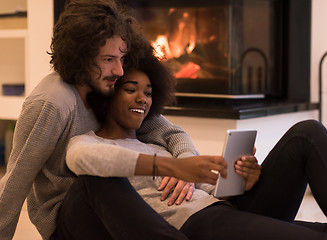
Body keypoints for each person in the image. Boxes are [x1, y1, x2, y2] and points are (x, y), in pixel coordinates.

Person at [64, 54, 327, 239]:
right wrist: (175, 166)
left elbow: (208, 191)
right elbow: (82, 160)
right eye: (131, 90)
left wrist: (244, 182)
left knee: (308, 133)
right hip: (199, 225)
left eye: (149, 93)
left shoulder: (157, 143)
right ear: (107, 97)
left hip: (226, 210)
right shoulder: (88, 143)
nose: (143, 98)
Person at [0, 1, 201, 239]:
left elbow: (170, 133)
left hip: (115, 210)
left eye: (122, 58)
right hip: (69, 217)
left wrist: (187, 166)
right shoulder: (51, 104)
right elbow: (14, 185)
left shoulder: (106, 87)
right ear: (80, 56)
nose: (119, 70)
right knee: (98, 175)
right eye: (108, 60)